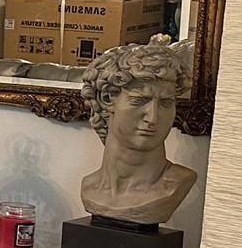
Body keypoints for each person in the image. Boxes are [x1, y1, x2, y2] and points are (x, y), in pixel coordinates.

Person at [78, 36, 197, 226]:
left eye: (166, 103)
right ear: (107, 99)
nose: (153, 117)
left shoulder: (177, 183)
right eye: (139, 101)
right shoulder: (90, 186)